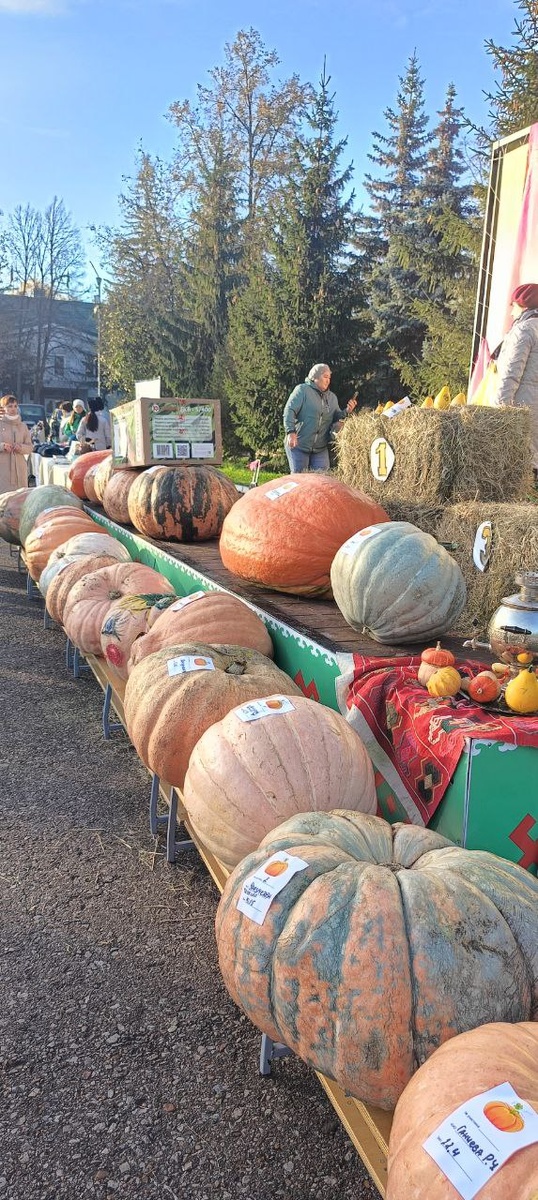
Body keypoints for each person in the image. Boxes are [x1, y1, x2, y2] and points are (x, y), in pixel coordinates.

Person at [494, 283, 538, 487]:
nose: (511, 312)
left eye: (514, 306)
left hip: (523, 406)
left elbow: (510, 374)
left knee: (524, 463)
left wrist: (500, 411)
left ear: (524, 304)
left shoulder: (525, 330)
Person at [283, 363, 358, 473]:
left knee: (322, 479)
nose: (328, 380)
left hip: (320, 449)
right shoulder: (302, 390)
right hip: (299, 445)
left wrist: (347, 411)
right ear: (315, 377)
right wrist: (290, 432)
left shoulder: (332, 398)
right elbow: (289, 410)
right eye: (325, 377)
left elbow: (336, 417)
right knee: (300, 480)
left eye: (329, 378)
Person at [0, 394, 33, 491]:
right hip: (3, 467)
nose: (13, 409)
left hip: (20, 468)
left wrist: (21, 447)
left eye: (15, 406)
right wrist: (2, 446)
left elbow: (30, 447)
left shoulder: (23, 426)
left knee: (20, 496)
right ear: (3, 408)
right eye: (10, 406)